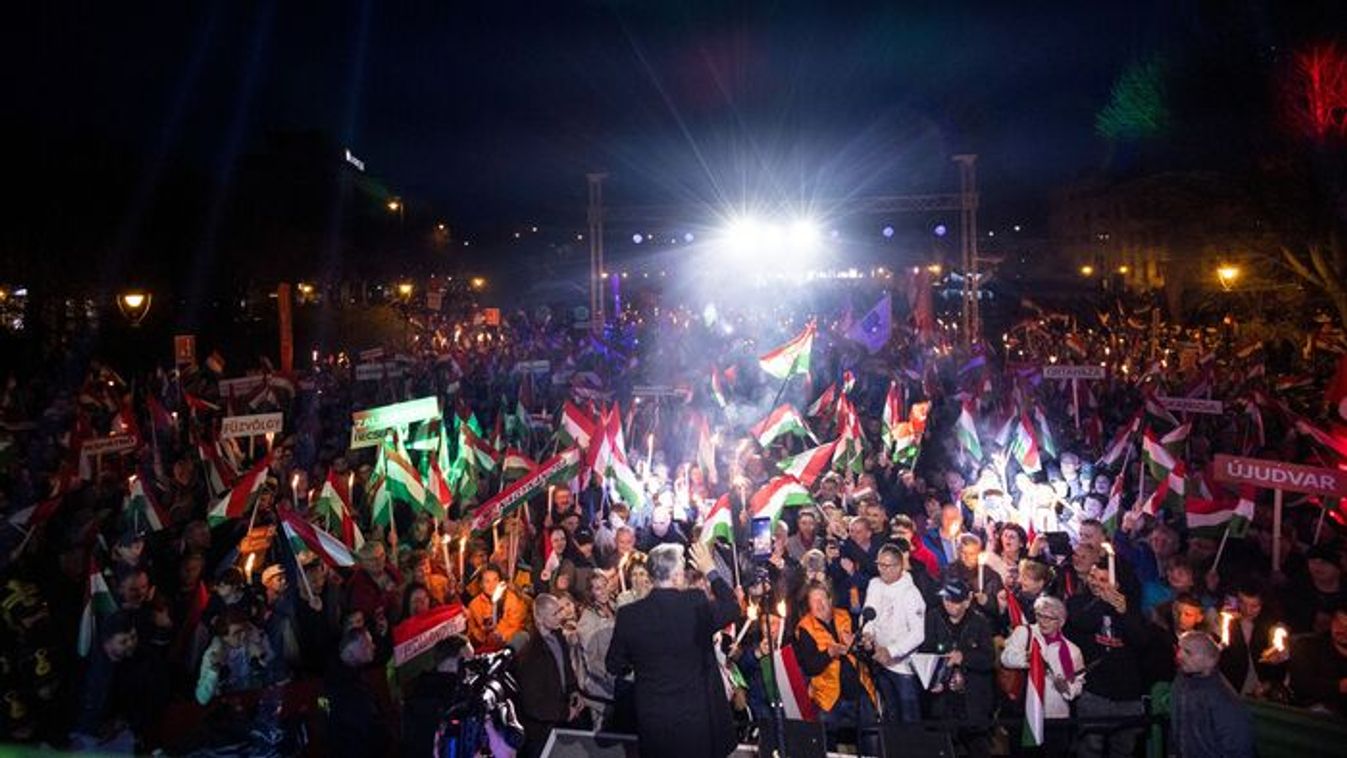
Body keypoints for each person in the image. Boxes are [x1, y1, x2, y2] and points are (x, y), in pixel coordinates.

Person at [606, 541, 739, 758]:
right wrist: (710, 571)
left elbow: (614, 664)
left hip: (654, 718)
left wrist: (639, 665)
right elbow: (732, 607)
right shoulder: (695, 602)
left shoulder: (629, 615)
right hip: (697, 718)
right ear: (677, 576)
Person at [794, 581, 879, 753]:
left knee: (871, 738)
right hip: (828, 696)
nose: (819, 605)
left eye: (822, 599)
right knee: (826, 744)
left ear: (830, 600)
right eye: (814, 601)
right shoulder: (804, 628)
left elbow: (865, 654)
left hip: (858, 688)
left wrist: (864, 646)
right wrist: (829, 653)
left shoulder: (845, 616)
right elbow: (810, 667)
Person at [1000, 596, 1085, 757]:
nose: (1043, 621)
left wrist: (1066, 688)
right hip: (1025, 714)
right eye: (1039, 615)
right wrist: (1028, 659)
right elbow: (1006, 658)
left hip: (1056, 717)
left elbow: (1078, 684)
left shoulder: (1072, 650)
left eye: (1049, 618)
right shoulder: (1024, 632)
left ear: (1061, 622)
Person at [923, 578, 995, 758]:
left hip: (972, 704)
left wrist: (964, 658)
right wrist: (934, 680)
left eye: (954, 601)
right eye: (945, 599)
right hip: (942, 704)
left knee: (977, 748)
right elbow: (926, 653)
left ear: (967, 601)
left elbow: (988, 659)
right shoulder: (933, 617)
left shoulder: (980, 623)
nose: (948, 604)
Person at [515, 593, 585, 757]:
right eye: (555, 613)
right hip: (541, 732)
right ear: (539, 619)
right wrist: (564, 713)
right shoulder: (530, 653)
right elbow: (532, 704)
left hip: (560, 721)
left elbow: (566, 668)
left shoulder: (558, 635)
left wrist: (574, 690)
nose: (561, 616)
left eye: (560, 610)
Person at [862, 543, 926, 722]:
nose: (882, 570)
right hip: (879, 661)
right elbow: (868, 613)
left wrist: (891, 651)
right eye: (879, 564)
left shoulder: (911, 594)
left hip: (903, 667)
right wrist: (867, 634)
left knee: (909, 719)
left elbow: (918, 634)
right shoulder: (874, 585)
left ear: (899, 566)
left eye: (887, 565)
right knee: (890, 715)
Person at [1171, 631, 1256, 757]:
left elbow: (1238, 744)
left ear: (1210, 660)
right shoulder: (1182, 682)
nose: (1179, 655)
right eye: (1180, 649)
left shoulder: (1222, 698)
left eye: (1188, 652)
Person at [326, 627, 393, 758]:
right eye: (367, 644)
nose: (373, 647)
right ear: (351, 651)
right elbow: (371, 729)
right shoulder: (348, 689)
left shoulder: (341, 674)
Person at [1288, 604, 1347, 716]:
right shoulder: (1309, 646)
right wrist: (1339, 686)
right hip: (1311, 717)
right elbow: (1300, 685)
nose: (1342, 629)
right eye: (1338, 622)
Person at [466, 564, 530, 651]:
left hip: (508, 644)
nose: (492, 585)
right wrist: (483, 634)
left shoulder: (511, 600)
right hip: (485, 648)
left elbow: (517, 626)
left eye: (495, 580)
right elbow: (472, 631)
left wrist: (501, 636)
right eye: (487, 581)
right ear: (481, 584)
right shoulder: (474, 605)